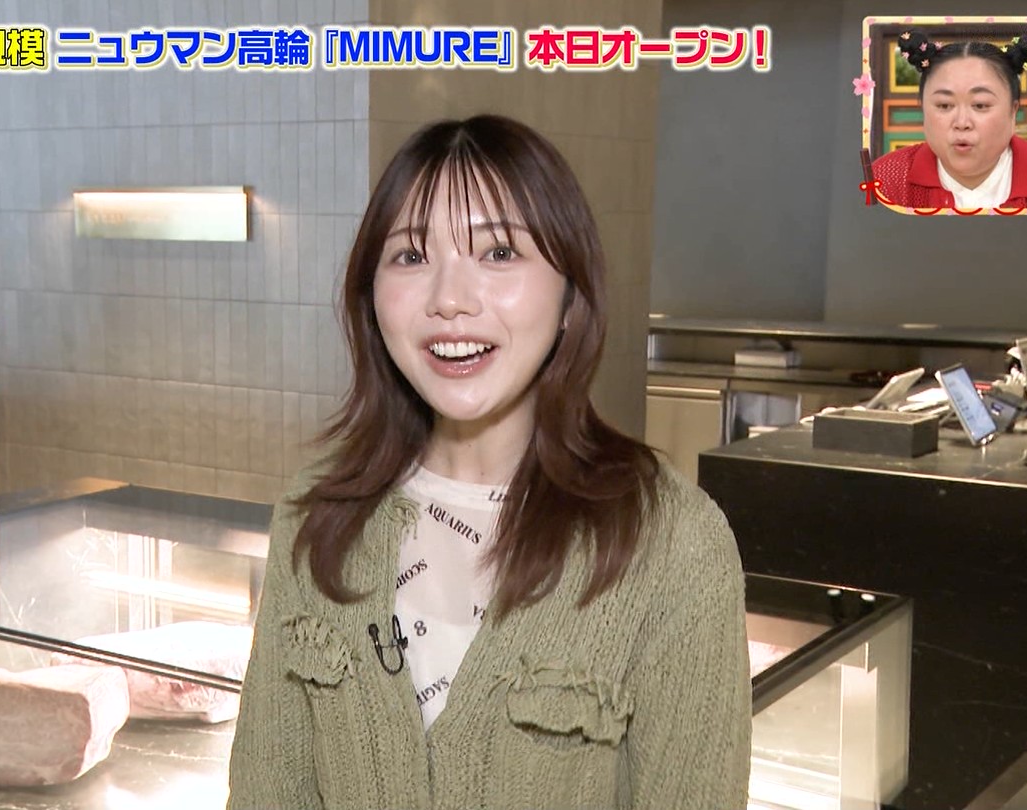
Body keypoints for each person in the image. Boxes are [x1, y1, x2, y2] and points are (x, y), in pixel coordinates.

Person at [227, 115, 751, 810]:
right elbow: (267, 790)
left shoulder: (672, 543)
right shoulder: (318, 516)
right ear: (370, 295)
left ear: (570, 296)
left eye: (499, 252)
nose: (450, 299)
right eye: (410, 256)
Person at [872, 29, 1027, 209]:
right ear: (923, 108)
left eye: (980, 105)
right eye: (944, 105)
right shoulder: (883, 180)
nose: (962, 123)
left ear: (1013, 111)